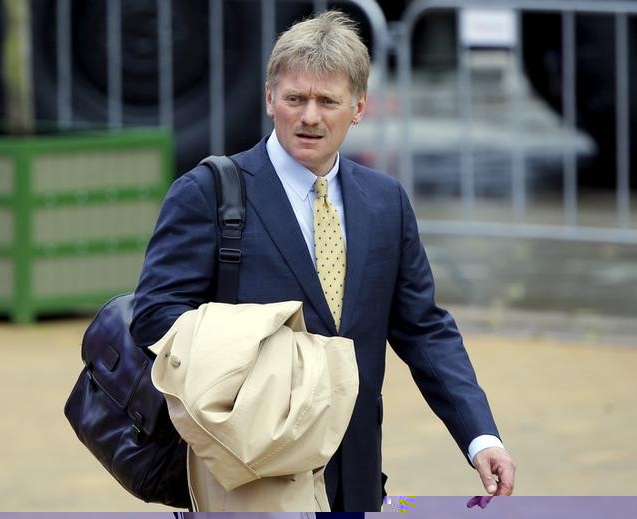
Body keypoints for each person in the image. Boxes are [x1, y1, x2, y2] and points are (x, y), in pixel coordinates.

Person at [131, 10, 516, 511]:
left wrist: (480, 436)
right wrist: (267, 357)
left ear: (359, 107)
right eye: (295, 98)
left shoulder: (385, 202)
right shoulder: (206, 194)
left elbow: (424, 328)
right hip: (247, 470)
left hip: (353, 474)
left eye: (327, 101)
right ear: (270, 99)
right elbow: (155, 318)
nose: (309, 116)